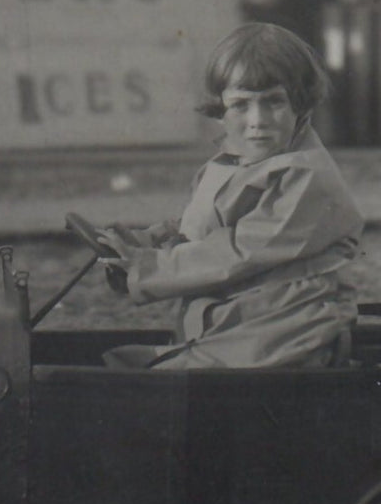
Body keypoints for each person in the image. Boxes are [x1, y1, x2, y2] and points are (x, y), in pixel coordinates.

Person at [99, 22, 364, 370]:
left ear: (300, 103)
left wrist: (145, 268)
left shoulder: (305, 175)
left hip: (285, 330)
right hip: (240, 321)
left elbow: (240, 251)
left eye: (274, 103)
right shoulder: (238, 162)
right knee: (119, 364)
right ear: (221, 108)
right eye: (241, 105)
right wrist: (148, 240)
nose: (257, 120)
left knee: (142, 385)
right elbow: (205, 226)